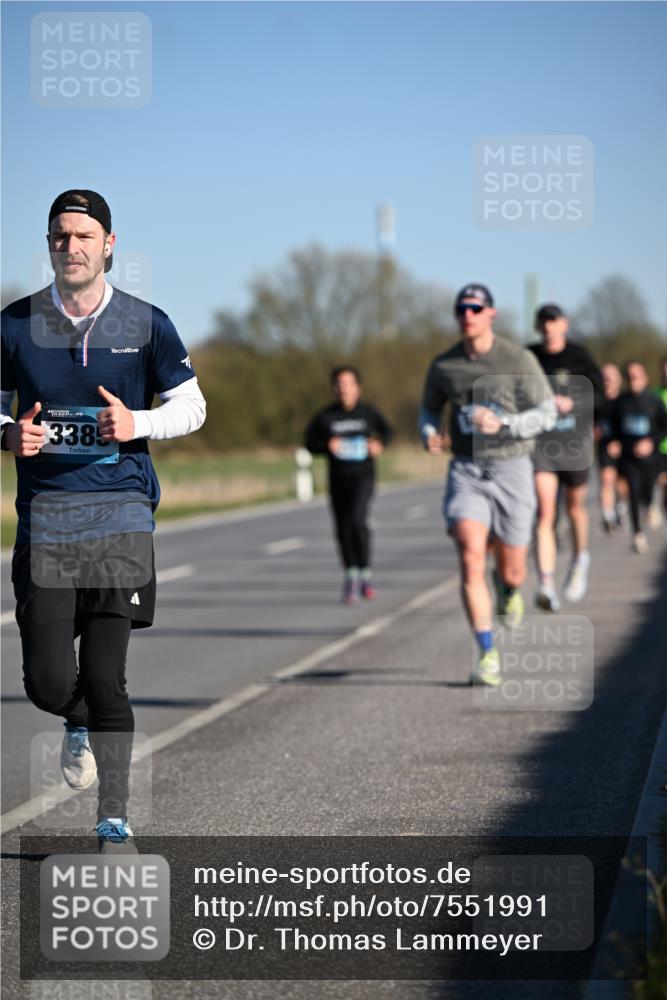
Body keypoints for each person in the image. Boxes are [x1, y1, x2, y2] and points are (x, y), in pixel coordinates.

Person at [1, 190, 206, 852]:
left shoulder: (147, 323)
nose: (72, 246)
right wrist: (9, 435)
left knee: (108, 672)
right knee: (50, 682)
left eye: (84, 235)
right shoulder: (14, 326)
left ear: (109, 244)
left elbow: (193, 406)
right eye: (61, 236)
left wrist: (137, 422)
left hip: (120, 515)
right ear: (50, 243)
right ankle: (77, 721)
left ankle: (113, 820)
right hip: (46, 523)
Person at [420, 283, 556, 686]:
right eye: (461, 308)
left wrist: (508, 424)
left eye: (476, 308)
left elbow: (547, 412)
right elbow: (428, 409)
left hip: (512, 466)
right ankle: (486, 652)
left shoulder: (517, 358)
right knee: (469, 554)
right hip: (466, 469)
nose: (468, 315)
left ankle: (508, 589)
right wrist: (428, 431)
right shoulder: (444, 365)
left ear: (491, 314)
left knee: (513, 568)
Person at [528, 304, 604, 611]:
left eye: (553, 321)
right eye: (543, 322)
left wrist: (575, 401)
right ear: (538, 326)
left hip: (574, 441)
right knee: (544, 511)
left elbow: (600, 394)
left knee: (574, 508)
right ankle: (546, 583)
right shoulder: (529, 356)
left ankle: (579, 560)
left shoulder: (580, 357)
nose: (548, 327)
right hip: (542, 443)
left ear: (564, 325)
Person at [305, 366, 392, 603]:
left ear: (357, 387)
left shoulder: (368, 413)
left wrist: (379, 444)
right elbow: (309, 442)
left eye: (348, 384)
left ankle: (365, 574)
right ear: (334, 388)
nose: (343, 389)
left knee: (357, 520)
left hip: (363, 476)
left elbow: (387, 432)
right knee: (342, 527)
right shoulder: (326, 416)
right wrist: (326, 446)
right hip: (338, 478)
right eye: (339, 384)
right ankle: (350, 574)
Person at [607, 360, 667, 553]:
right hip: (628, 457)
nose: (634, 380)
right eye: (630, 376)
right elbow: (613, 428)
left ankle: (649, 505)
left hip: (651, 459)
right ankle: (637, 534)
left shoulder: (653, 401)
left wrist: (650, 442)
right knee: (632, 493)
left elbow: (663, 427)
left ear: (644, 377)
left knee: (646, 493)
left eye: (637, 375)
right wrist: (613, 442)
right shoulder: (621, 402)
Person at [596, 362, 628, 533]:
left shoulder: (625, 400)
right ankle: (608, 516)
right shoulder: (597, 400)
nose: (607, 379)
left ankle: (621, 506)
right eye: (604, 375)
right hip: (604, 445)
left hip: (624, 446)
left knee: (622, 482)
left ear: (619, 379)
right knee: (606, 479)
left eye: (611, 375)